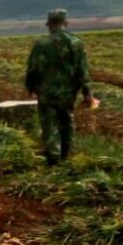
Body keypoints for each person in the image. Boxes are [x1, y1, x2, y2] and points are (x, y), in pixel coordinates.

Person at [25, 9, 93, 166]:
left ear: (49, 24)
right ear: (66, 23)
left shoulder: (41, 44)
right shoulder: (76, 43)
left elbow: (32, 69)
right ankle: (66, 154)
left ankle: (53, 157)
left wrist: (31, 87)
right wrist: (87, 93)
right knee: (66, 120)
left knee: (49, 122)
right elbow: (82, 71)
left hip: (46, 92)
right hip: (68, 93)